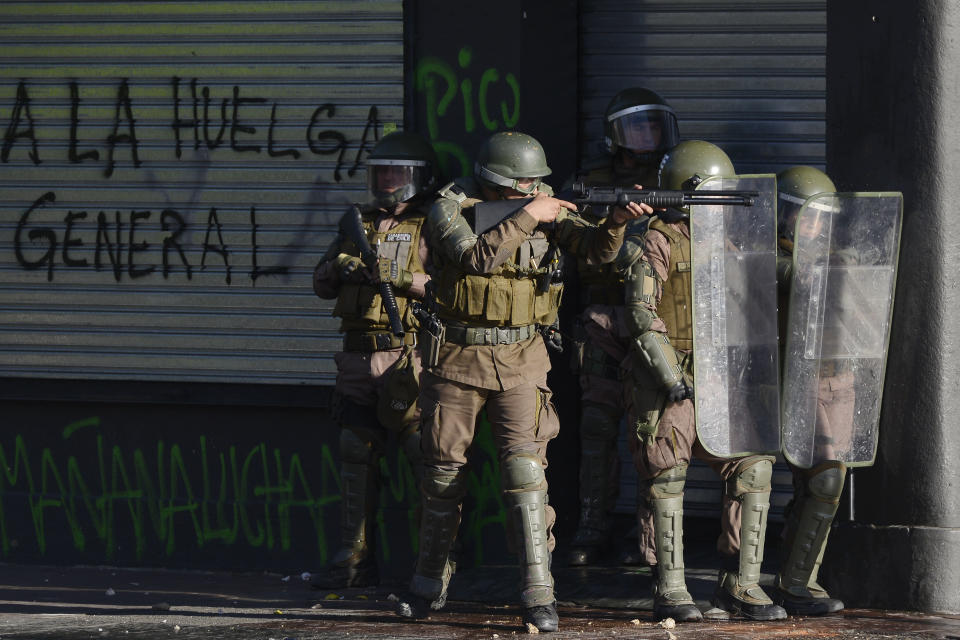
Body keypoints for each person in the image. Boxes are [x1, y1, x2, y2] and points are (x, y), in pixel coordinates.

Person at [394, 131, 651, 633]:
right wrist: (532, 214)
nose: (534, 193)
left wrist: (616, 222)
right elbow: (474, 258)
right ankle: (428, 583)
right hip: (457, 359)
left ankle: (539, 592)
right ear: (494, 183)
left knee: (526, 475)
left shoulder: (542, 209)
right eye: (524, 186)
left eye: (537, 186)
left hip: (522, 360)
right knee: (443, 477)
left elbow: (596, 253)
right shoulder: (450, 208)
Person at [618, 140, 787, 622]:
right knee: (666, 473)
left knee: (752, 466)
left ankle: (741, 583)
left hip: (722, 375)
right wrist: (670, 375)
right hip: (669, 374)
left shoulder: (730, 240)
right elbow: (641, 312)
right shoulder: (656, 240)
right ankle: (670, 586)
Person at [311, 130, 439, 588]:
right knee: (355, 454)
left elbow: (448, 291)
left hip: (409, 357)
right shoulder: (357, 223)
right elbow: (321, 284)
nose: (387, 180)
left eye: (397, 173)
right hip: (357, 357)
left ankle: (434, 563)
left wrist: (399, 276)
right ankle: (353, 558)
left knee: (425, 457)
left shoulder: (433, 223)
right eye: (381, 172)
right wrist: (341, 267)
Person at [566, 88, 680, 567]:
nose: (647, 136)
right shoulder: (591, 183)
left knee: (652, 430)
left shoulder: (674, 173)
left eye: (653, 126)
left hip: (656, 321)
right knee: (597, 425)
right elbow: (575, 247)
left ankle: (650, 543)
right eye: (636, 128)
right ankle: (592, 526)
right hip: (604, 317)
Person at [772, 166, 848, 615]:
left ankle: (799, 582)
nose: (813, 227)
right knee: (751, 482)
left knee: (825, 480)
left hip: (828, 382)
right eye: (804, 216)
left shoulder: (839, 260)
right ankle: (739, 583)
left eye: (821, 217)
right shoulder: (758, 257)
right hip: (775, 383)